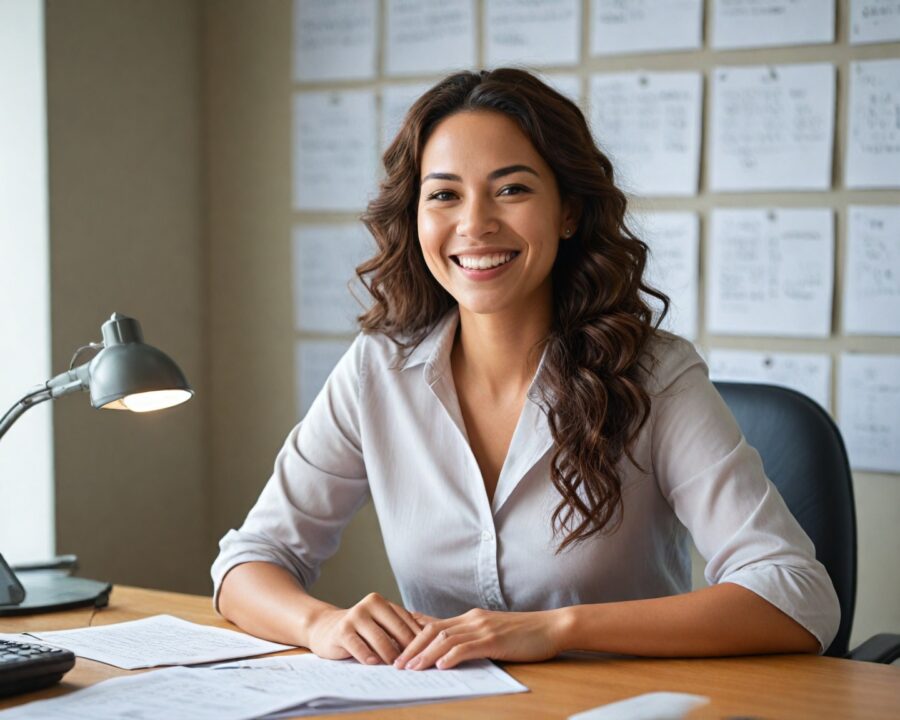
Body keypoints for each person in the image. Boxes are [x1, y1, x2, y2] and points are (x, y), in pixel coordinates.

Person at [212, 68, 840, 671]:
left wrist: (559, 628)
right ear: (416, 216)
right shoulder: (378, 371)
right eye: (444, 195)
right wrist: (319, 624)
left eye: (511, 189)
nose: (475, 224)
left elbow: (795, 595)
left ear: (568, 211)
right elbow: (250, 562)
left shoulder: (655, 375)